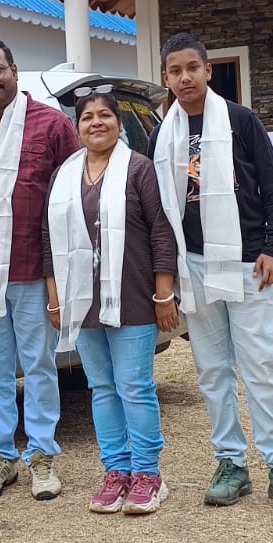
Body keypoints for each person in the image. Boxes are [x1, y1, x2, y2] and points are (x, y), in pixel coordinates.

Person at [151, 33, 273, 512]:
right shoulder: (164, 134)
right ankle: (231, 464)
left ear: (208, 70)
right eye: (175, 71)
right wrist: (168, 276)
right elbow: (161, 209)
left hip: (247, 266)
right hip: (193, 268)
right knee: (213, 372)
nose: (185, 78)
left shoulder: (240, 121)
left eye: (192, 68)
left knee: (261, 365)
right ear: (166, 78)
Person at [42, 90, 180, 515]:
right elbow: (49, 240)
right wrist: (54, 298)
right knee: (101, 388)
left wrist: (164, 294)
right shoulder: (63, 176)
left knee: (134, 388)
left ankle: (147, 475)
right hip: (82, 300)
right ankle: (115, 472)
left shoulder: (138, 169)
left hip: (135, 297)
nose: (96, 122)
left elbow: (162, 232)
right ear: (77, 126)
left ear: (119, 125)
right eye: (87, 117)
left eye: (105, 115)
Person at [0, 38, 78, 501]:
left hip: (31, 268)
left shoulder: (52, 125)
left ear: (14, 69)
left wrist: (60, 273)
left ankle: (43, 456)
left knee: (41, 366)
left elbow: (70, 197)